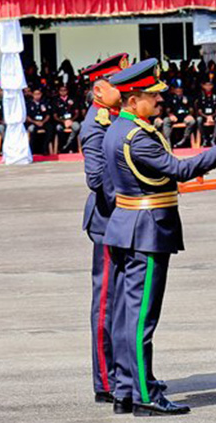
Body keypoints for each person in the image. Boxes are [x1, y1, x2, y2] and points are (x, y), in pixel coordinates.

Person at [102, 58, 216, 416]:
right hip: (147, 230)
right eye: (152, 96)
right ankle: (144, 395)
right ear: (134, 98)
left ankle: (128, 387)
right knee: (141, 319)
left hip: (129, 225)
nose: (159, 101)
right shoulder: (136, 137)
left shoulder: (119, 129)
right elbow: (181, 170)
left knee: (127, 315)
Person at [78, 53, 129, 410]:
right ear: (99, 89)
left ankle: (124, 372)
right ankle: (106, 379)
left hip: (122, 221)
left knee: (125, 301)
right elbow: (96, 178)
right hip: (109, 222)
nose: (122, 89)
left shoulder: (115, 119)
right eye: (116, 83)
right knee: (107, 304)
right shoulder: (95, 125)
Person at [162, 79, 198, 148]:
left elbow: (191, 109)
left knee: (192, 121)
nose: (178, 90)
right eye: (177, 89)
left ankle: (184, 139)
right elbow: (167, 109)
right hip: (174, 117)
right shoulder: (170, 98)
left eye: (180, 89)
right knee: (166, 120)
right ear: (173, 89)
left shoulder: (187, 98)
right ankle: (168, 140)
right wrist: (170, 115)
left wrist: (190, 115)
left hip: (185, 117)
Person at [26, 87, 55, 155]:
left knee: (50, 129)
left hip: (43, 122)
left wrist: (42, 122)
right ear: (32, 94)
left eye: (38, 94)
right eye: (35, 94)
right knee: (31, 129)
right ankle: (32, 150)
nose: (37, 96)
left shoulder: (45, 103)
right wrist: (35, 122)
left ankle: (44, 149)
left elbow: (48, 115)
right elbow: (27, 117)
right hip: (33, 122)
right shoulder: (28, 104)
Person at [196, 81, 216, 146]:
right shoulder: (200, 96)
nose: (208, 87)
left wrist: (211, 116)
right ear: (203, 86)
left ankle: (213, 139)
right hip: (204, 116)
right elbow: (199, 111)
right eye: (206, 85)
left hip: (213, 116)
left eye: (210, 85)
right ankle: (204, 139)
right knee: (199, 119)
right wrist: (207, 117)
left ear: (212, 86)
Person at [53, 84, 81, 152]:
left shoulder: (73, 99)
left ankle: (68, 145)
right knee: (58, 128)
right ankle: (63, 146)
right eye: (61, 90)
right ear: (59, 91)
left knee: (77, 127)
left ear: (67, 91)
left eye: (64, 90)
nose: (63, 92)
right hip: (61, 121)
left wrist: (71, 120)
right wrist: (63, 121)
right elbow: (55, 115)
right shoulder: (55, 100)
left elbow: (77, 112)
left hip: (72, 120)